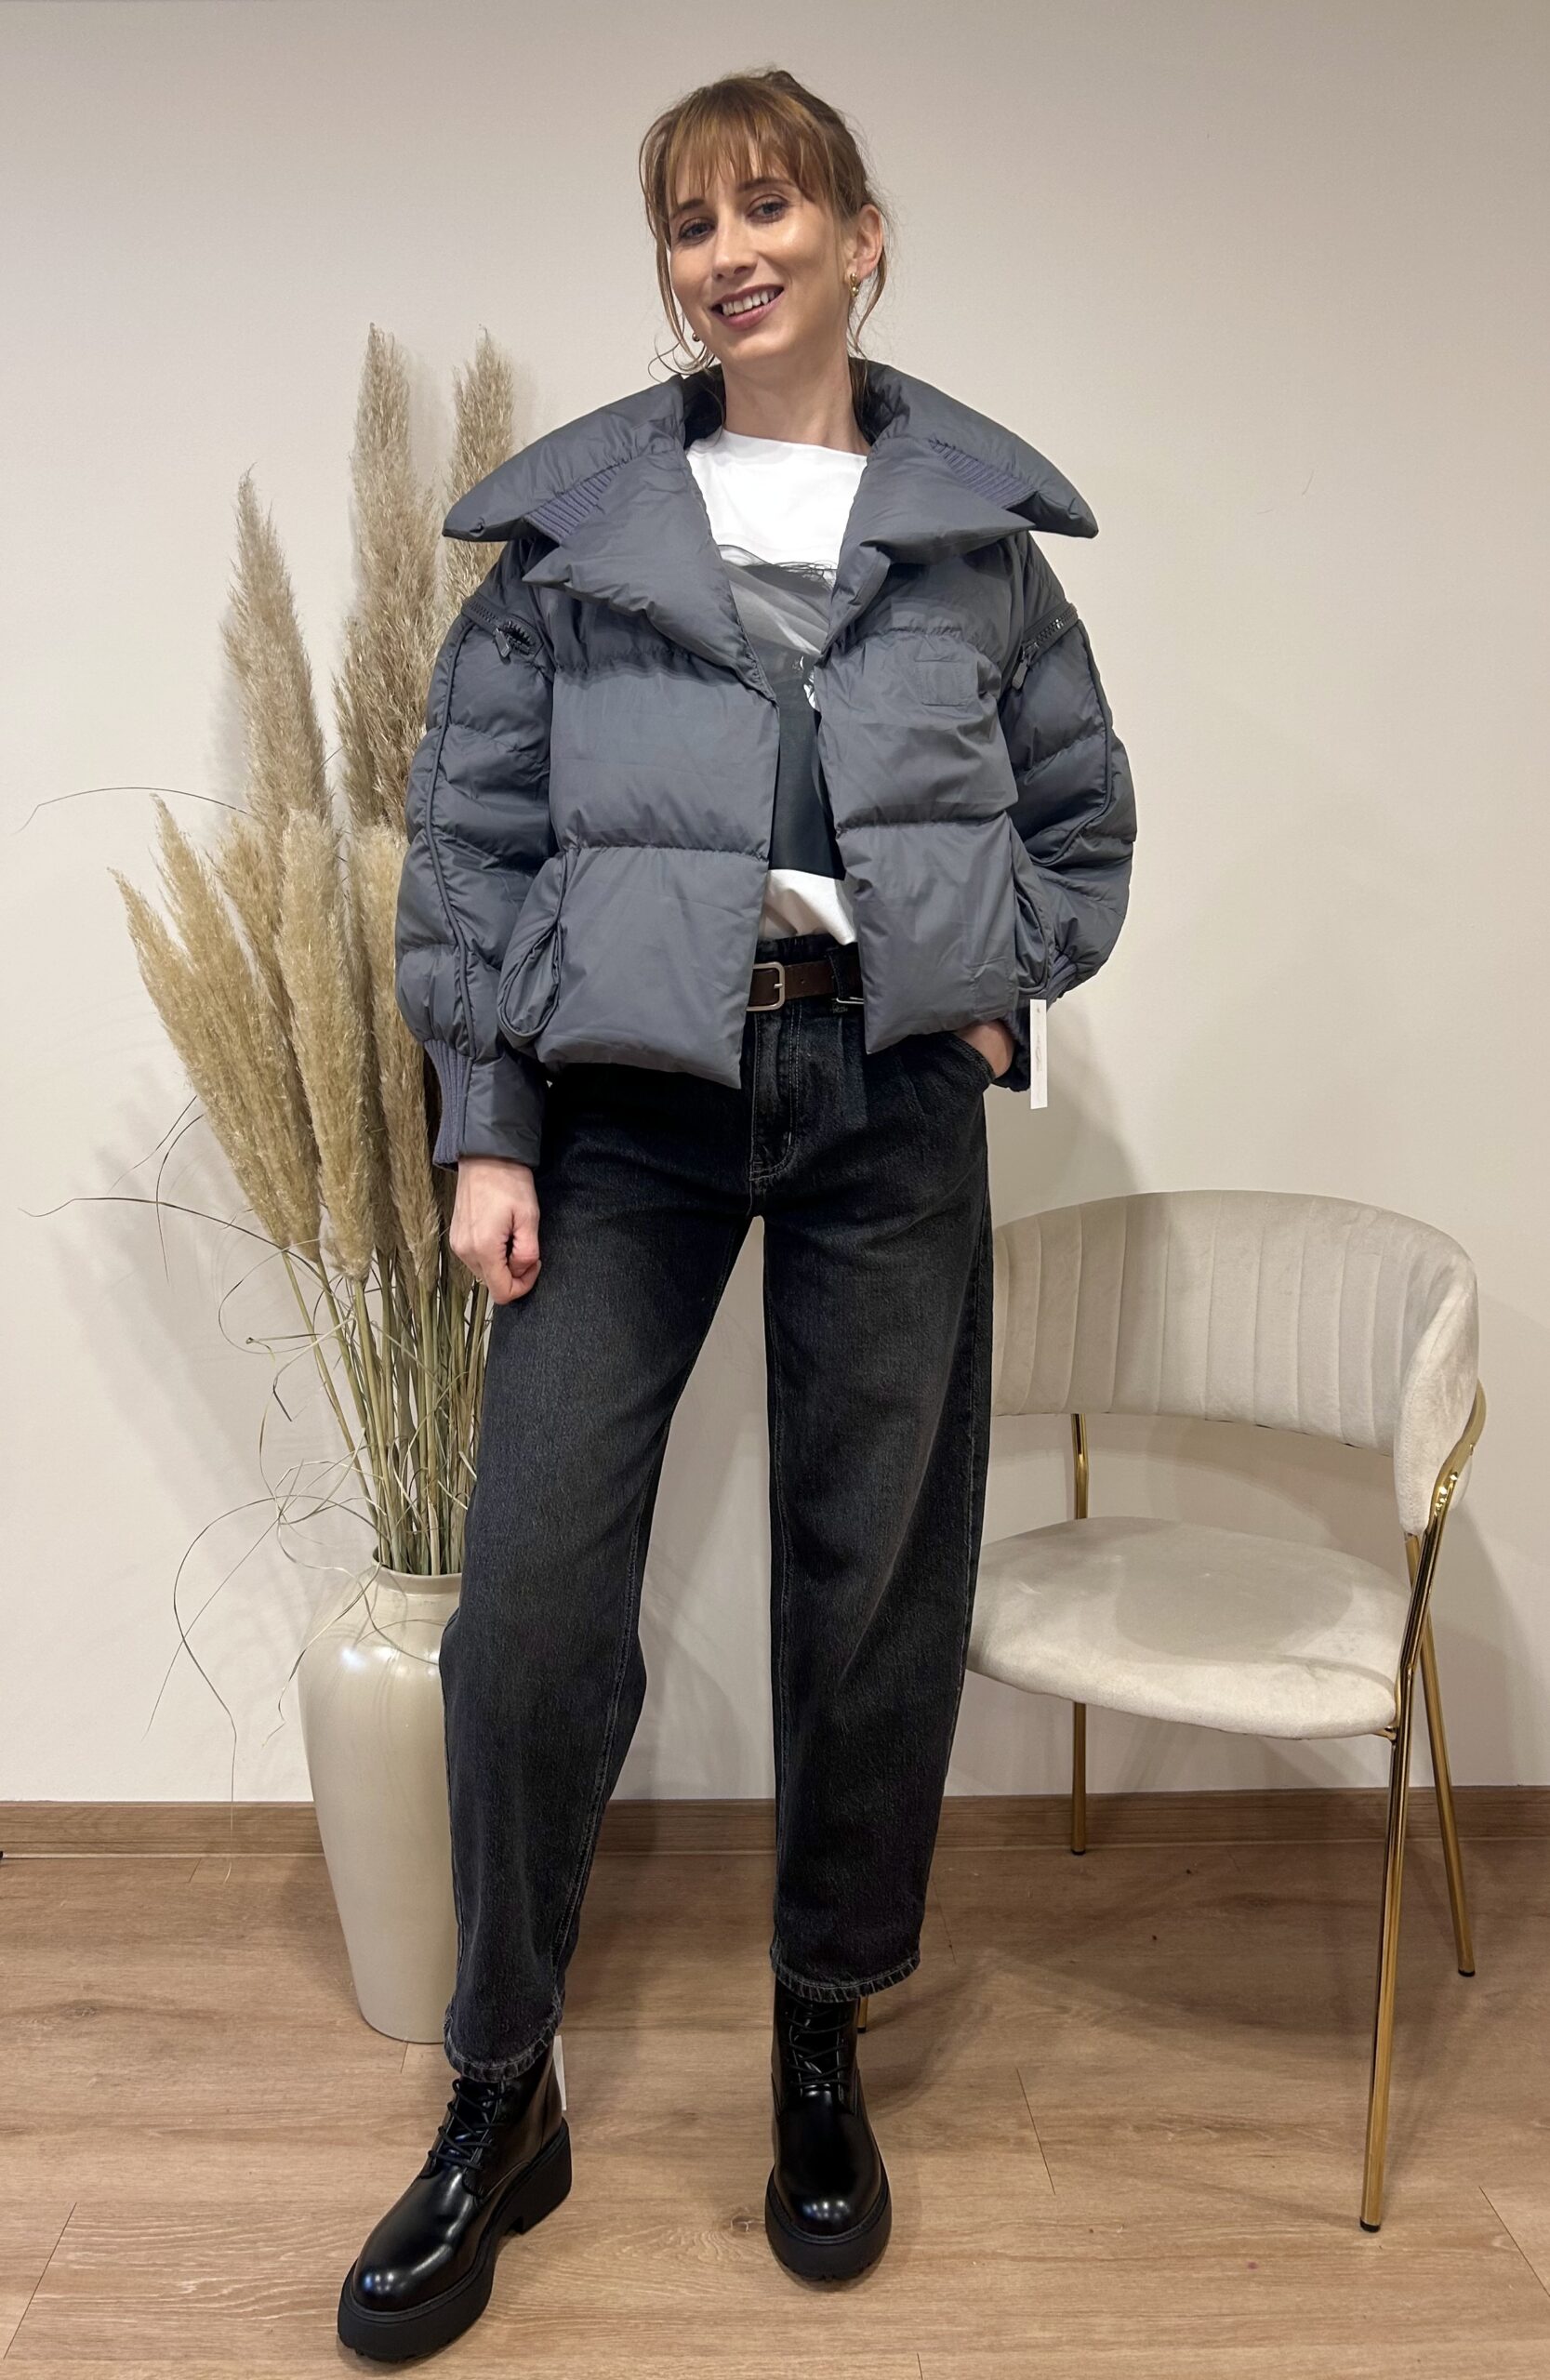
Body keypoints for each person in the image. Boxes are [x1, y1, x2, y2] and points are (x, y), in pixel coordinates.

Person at [338, 64, 1134, 2362]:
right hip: (628, 1105)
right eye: (692, 224)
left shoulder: (975, 547)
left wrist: (981, 983)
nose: (729, 254)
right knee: (530, 1607)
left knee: (871, 1584)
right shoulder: (573, 543)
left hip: (884, 1093)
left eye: (770, 208)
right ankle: (500, 2082)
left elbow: (1080, 822)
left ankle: (818, 2027)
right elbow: (475, 851)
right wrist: (491, 1125)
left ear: (864, 237)